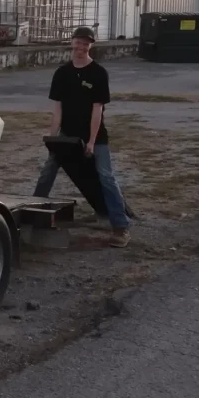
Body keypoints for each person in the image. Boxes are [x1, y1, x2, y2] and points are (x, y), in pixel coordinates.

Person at [32, 26, 131, 248]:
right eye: (78, 42)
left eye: (85, 44)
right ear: (72, 42)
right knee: (47, 172)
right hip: (67, 136)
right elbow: (57, 108)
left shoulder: (98, 73)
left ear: (90, 46)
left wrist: (93, 142)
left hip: (96, 137)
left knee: (106, 177)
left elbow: (98, 110)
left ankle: (120, 227)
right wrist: (52, 138)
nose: (81, 47)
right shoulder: (62, 73)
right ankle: (32, 214)